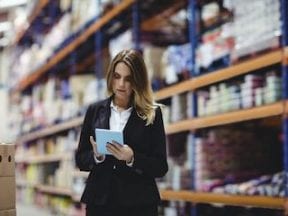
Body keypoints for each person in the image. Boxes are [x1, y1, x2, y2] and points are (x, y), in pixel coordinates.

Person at [75, 49, 168, 216]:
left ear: (138, 81)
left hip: (138, 205)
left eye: (128, 79)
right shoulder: (95, 110)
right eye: (117, 77)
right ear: (110, 77)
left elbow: (161, 166)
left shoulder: (152, 114)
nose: (121, 84)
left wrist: (132, 158)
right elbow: (81, 158)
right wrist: (97, 156)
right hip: (100, 203)